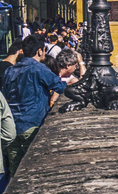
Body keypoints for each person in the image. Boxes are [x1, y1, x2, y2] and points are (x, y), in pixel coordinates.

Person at [2, 36, 78, 182]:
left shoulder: (10, 70)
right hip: (32, 122)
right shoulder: (38, 68)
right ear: (39, 51)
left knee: (15, 173)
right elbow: (59, 86)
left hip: (12, 125)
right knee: (32, 170)